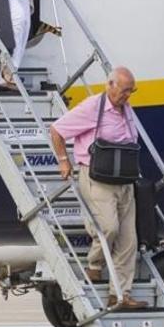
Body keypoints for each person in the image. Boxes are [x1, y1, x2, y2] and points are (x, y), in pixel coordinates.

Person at [48, 67, 146, 309]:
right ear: (110, 85)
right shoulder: (94, 107)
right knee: (108, 228)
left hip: (124, 181)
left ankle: (120, 295)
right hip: (98, 179)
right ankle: (94, 265)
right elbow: (57, 130)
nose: (127, 96)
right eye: (124, 91)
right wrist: (63, 161)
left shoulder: (126, 110)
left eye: (130, 92)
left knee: (128, 241)